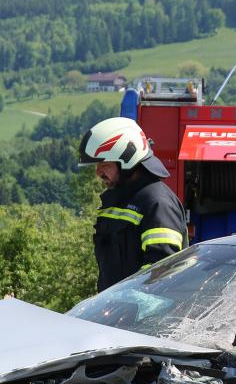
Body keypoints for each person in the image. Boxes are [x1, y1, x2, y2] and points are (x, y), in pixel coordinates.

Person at [78, 116, 187, 291]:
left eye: (104, 164)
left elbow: (162, 273)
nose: (98, 172)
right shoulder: (118, 200)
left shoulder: (157, 204)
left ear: (127, 159)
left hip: (144, 308)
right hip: (114, 305)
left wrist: (127, 302)